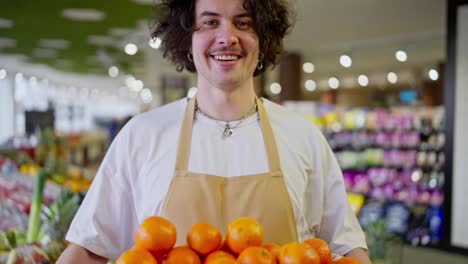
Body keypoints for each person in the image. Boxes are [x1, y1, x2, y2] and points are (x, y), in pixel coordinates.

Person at [57, 0, 372, 263]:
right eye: (209, 23)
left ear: (263, 39)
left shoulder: (303, 136)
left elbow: (346, 248)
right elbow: (89, 248)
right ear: (187, 40)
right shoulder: (142, 135)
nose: (227, 37)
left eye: (243, 23)